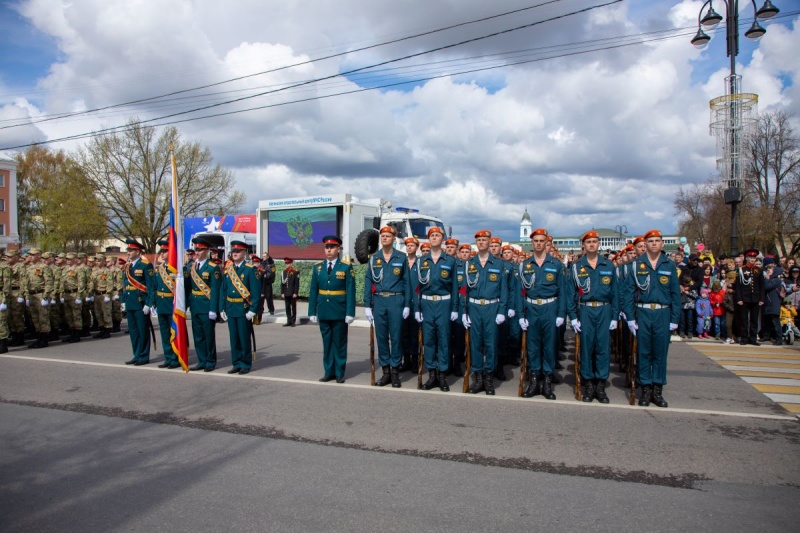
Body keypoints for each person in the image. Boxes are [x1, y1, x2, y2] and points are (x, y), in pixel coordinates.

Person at [622, 230, 680, 408]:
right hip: (643, 312)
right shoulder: (636, 265)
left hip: (663, 313)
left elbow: (675, 294)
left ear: (662, 244)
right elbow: (629, 293)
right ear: (645, 244)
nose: (654, 243)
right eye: (651, 241)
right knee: (644, 353)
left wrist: (674, 319)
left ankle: (657, 390)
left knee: (660, 354)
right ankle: (645, 389)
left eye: (657, 241)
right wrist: (630, 318)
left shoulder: (668, 265)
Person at [566, 230, 619, 403]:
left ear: (599, 244)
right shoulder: (576, 267)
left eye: (595, 242)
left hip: (604, 309)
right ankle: (588, 384)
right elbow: (571, 294)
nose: (591, 245)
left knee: (603, 348)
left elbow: (615, 293)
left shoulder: (608, 265)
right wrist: (573, 316)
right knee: (587, 348)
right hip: (585, 310)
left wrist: (614, 317)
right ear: (584, 245)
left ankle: (600, 385)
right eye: (588, 242)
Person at [517, 228, 565, 400]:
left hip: (549, 308)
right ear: (532, 243)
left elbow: (562, 292)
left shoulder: (556, 265)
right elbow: (520, 292)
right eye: (535, 241)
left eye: (541, 240)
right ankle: (534, 380)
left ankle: (547, 382)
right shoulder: (524, 265)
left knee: (549, 346)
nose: (538, 243)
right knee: (533, 346)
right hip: (531, 309)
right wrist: (520, 315)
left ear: (546, 243)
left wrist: (560, 314)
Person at [364, 226, 412, 388]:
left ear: (394, 238)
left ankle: (395, 372)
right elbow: (368, 282)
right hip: (379, 301)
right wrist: (367, 305)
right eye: (382, 236)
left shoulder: (401, 257)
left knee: (396, 337)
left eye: (387, 236)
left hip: (396, 301)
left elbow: (407, 283)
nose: (384, 238)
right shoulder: (374, 258)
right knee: (381, 337)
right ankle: (385, 372)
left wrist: (407, 304)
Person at [462, 230, 508, 395]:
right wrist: (464, 311)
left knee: (490, 344)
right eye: (479, 240)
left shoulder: (498, 263)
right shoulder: (469, 263)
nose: (482, 242)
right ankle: (478, 377)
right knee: (475, 344)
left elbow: (504, 290)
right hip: (474, 307)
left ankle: (489, 377)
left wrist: (502, 310)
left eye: (484, 240)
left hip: (492, 307)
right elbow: (463, 290)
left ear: (489, 242)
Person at [415, 227, 458, 392]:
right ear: (428, 239)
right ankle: (431, 374)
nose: (434, 238)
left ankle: (442, 375)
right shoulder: (421, 261)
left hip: (444, 304)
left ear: (442, 239)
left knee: (444, 340)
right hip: (426, 304)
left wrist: (454, 308)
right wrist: (417, 308)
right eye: (432, 235)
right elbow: (416, 287)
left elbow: (455, 287)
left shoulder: (450, 261)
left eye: (437, 235)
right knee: (429, 340)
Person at [308, 236, 356, 383]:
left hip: (339, 310)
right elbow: (313, 291)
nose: (329, 250)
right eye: (326, 247)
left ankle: (340, 372)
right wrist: (312, 311)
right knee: (327, 342)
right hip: (324, 310)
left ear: (338, 249)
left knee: (339, 342)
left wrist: (350, 312)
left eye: (332, 247)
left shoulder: (346, 267)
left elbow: (350, 291)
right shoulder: (318, 268)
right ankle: (329, 371)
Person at [219, 240, 261, 374]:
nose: (235, 254)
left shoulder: (250, 270)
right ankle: (236, 363)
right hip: (231, 307)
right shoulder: (228, 270)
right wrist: (222, 308)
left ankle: (245, 363)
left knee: (244, 338)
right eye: (233, 251)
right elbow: (223, 290)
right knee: (234, 338)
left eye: (238, 251)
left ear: (244, 253)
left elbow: (255, 292)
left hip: (243, 309)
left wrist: (253, 310)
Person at [185, 237, 220, 372]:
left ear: (207, 250)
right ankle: (202, 360)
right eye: (196, 249)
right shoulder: (191, 267)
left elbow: (216, 290)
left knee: (208, 336)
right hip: (195, 306)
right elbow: (188, 287)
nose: (197, 252)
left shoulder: (213, 267)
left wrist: (213, 309)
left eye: (200, 249)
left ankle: (210, 361)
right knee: (198, 336)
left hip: (206, 306)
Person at [121, 239, 154, 365]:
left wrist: (149, 303)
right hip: (130, 302)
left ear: (138, 251)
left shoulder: (146, 265)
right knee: (133, 331)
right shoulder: (127, 266)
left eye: (130, 250)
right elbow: (124, 284)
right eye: (128, 250)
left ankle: (144, 356)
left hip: (141, 302)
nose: (128, 252)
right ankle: (137, 354)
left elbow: (150, 286)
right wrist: (123, 301)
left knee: (143, 330)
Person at [151, 241, 180, 369]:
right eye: (161, 251)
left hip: (172, 304)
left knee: (174, 332)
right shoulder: (159, 269)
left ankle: (175, 357)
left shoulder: (177, 268)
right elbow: (154, 287)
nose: (162, 254)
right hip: (161, 304)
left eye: (164, 251)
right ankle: (168, 357)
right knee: (164, 333)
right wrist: (153, 303)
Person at [21, 248, 53, 349]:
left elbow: (49, 282)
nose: (31, 256)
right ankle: (39, 338)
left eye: (33, 255)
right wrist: (26, 296)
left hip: (40, 295)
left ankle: (44, 339)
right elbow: (25, 283)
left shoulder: (44, 267)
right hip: (31, 295)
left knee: (43, 318)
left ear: (39, 256)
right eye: (30, 254)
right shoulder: (29, 268)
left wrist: (45, 296)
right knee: (35, 318)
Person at [735, 249, 765, 346]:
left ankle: (753, 338)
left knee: (754, 320)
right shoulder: (742, 270)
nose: (752, 259)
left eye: (754, 258)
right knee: (744, 320)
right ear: (746, 258)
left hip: (755, 299)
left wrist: (761, 299)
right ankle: (744, 338)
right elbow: (738, 286)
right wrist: (739, 298)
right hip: (744, 298)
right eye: (751, 258)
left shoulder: (759, 270)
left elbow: (761, 286)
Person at [400, 236, 420, 373]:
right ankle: (405, 359)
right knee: (403, 333)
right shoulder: (402, 262)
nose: (409, 247)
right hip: (402, 303)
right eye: (407, 245)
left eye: (412, 245)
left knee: (415, 333)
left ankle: (414, 361)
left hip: (416, 303)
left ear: (416, 247)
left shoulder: (421, 263)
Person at [59, 252, 86, 344]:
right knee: (68, 315)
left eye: (70, 259)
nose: (68, 261)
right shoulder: (65, 269)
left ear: (75, 260)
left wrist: (79, 296)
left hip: (75, 294)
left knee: (76, 315)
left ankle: (77, 334)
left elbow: (81, 283)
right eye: (67, 259)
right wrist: (62, 295)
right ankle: (72, 333)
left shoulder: (79, 270)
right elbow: (62, 283)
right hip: (67, 294)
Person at [762, 257, 784, 345]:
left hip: (774, 304)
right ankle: (766, 336)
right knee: (766, 321)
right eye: (767, 269)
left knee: (775, 322)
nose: (768, 271)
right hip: (767, 303)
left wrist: (767, 279)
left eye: (770, 269)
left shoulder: (777, 280)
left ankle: (779, 338)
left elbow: (766, 287)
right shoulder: (767, 279)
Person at [281, 258, 299, 327]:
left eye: (288, 263)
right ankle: (288, 321)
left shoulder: (295, 271)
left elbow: (296, 283)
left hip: (292, 293)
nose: (287, 265)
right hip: (286, 292)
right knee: (287, 307)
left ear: (291, 264)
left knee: (293, 308)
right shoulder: (284, 272)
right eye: (286, 263)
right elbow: (282, 283)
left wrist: (295, 293)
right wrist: (282, 292)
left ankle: (293, 321)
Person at [259, 251, 276, 320]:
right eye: (263, 256)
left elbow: (271, 273)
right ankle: (261, 309)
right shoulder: (261, 263)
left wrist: (264, 275)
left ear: (268, 257)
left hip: (268, 283)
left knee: (269, 297)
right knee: (261, 297)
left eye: (265, 256)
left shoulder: (271, 264)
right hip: (261, 283)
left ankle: (271, 309)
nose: (264, 257)